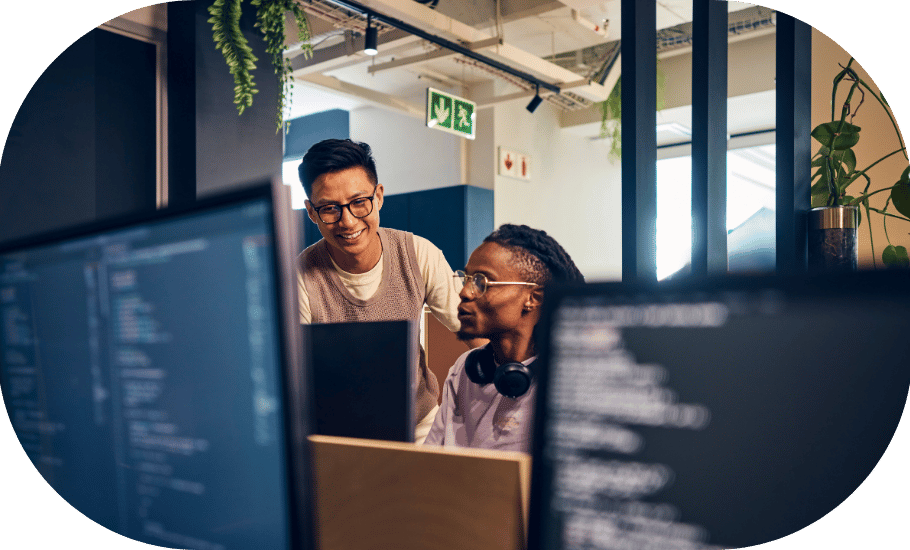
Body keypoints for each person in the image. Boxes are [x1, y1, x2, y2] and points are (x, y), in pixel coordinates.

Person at [296, 138, 476, 443]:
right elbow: (295, 377)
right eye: (329, 209)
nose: (348, 220)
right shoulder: (300, 276)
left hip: (420, 425)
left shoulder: (418, 254)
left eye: (358, 202)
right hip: (339, 433)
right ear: (312, 213)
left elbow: (474, 329)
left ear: (378, 196)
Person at [424, 224, 584, 453]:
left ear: (532, 298)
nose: (465, 292)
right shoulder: (465, 370)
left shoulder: (569, 382)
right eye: (467, 278)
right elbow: (430, 461)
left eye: (482, 281)